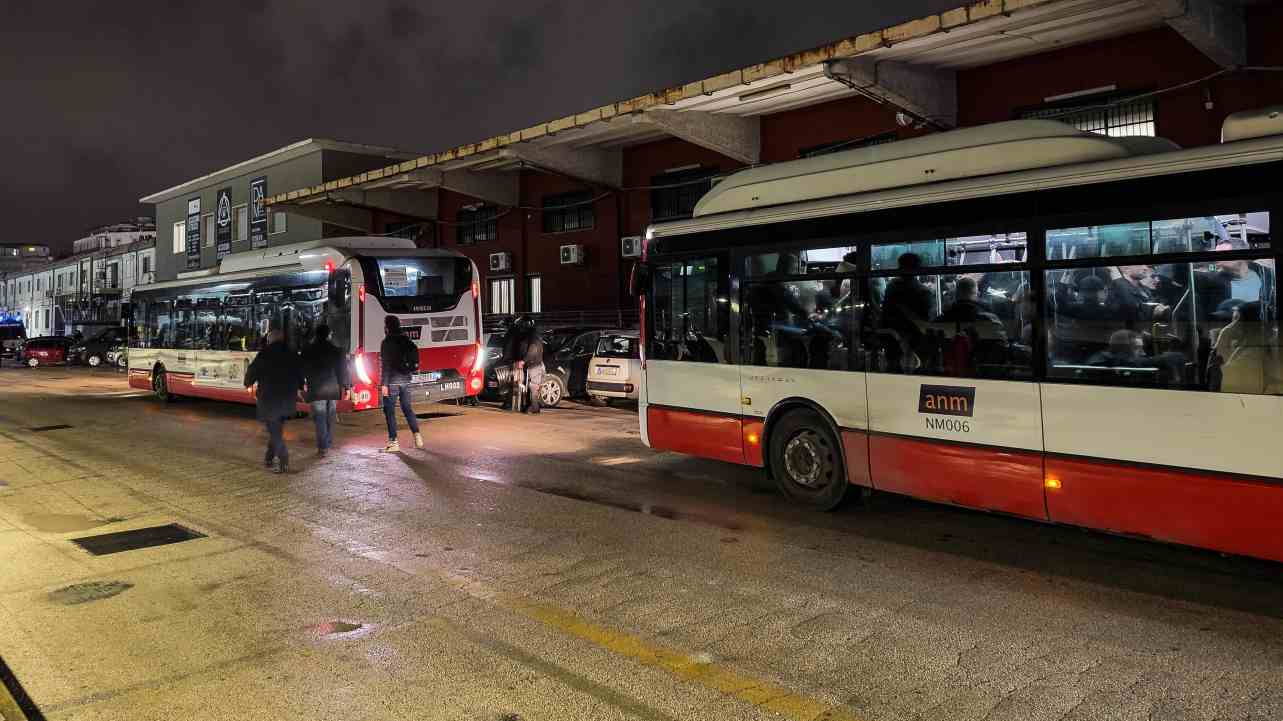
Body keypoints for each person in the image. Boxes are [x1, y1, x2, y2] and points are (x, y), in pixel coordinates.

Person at [243, 328, 305, 473]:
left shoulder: (264, 354)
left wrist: (248, 383)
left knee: (275, 431)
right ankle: (268, 458)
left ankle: (284, 461)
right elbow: (300, 373)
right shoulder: (292, 354)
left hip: (269, 399)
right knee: (276, 430)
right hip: (287, 398)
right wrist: (300, 386)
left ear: (269, 340)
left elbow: (252, 372)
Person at [301, 324, 350, 457]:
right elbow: (342, 371)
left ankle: (323, 446)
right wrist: (346, 386)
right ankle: (327, 441)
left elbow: (301, 370)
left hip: (316, 389)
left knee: (320, 417)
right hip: (333, 388)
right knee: (330, 416)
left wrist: (300, 386)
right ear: (328, 335)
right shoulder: (337, 350)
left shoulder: (307, 350)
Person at [379, 315, 422, 452]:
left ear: (387, 327)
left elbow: (386, 365)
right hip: (406, 379)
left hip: (392, 381)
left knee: (389, 411)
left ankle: (393, 442)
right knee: (407, 408)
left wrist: (384, 384)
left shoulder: (387, 342)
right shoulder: (406, 340)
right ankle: (417, 436)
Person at [513, 317, 546, 414]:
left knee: (533, 386)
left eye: (523, 325)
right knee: (530, 386)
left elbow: (533, 349)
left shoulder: (533, 336)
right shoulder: (530, 335)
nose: (521, 327)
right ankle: (531, 405)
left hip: (534, 364)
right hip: (531, 364)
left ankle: (535, 407)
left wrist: (523, 360)